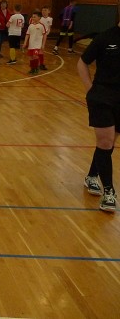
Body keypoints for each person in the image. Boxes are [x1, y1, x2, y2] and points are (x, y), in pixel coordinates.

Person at [77, 14, 120, 212]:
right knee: (105, 141)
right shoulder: (105, 37)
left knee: (108, 144)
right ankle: (109, 192)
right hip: (102, 97)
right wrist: (90, 90)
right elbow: (82, 62)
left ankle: (92, 176)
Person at [23, 10, 47, 75]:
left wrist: (43, 44)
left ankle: (36, 68)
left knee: (35, 56)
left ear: (39, 18)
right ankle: (32, 69)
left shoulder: (41, 26)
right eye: (32, 17)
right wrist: (25, 43)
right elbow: (27, 35)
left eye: (34, 17)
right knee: (31, 57)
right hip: (31, 45)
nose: (33, 18)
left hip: (37, 45)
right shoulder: (30, 26)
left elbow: (44, 35)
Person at [40, 5, 54, 70]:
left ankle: (41, 63)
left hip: (44, 36)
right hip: (39, 35)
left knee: (42, 49)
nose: (43, 12)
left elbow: (49, 27)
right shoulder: (40, 18)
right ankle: (37, 63)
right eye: (43, 10)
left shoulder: (50, 19)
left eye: (45, 10)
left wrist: (47, 33)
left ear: (49, 11)